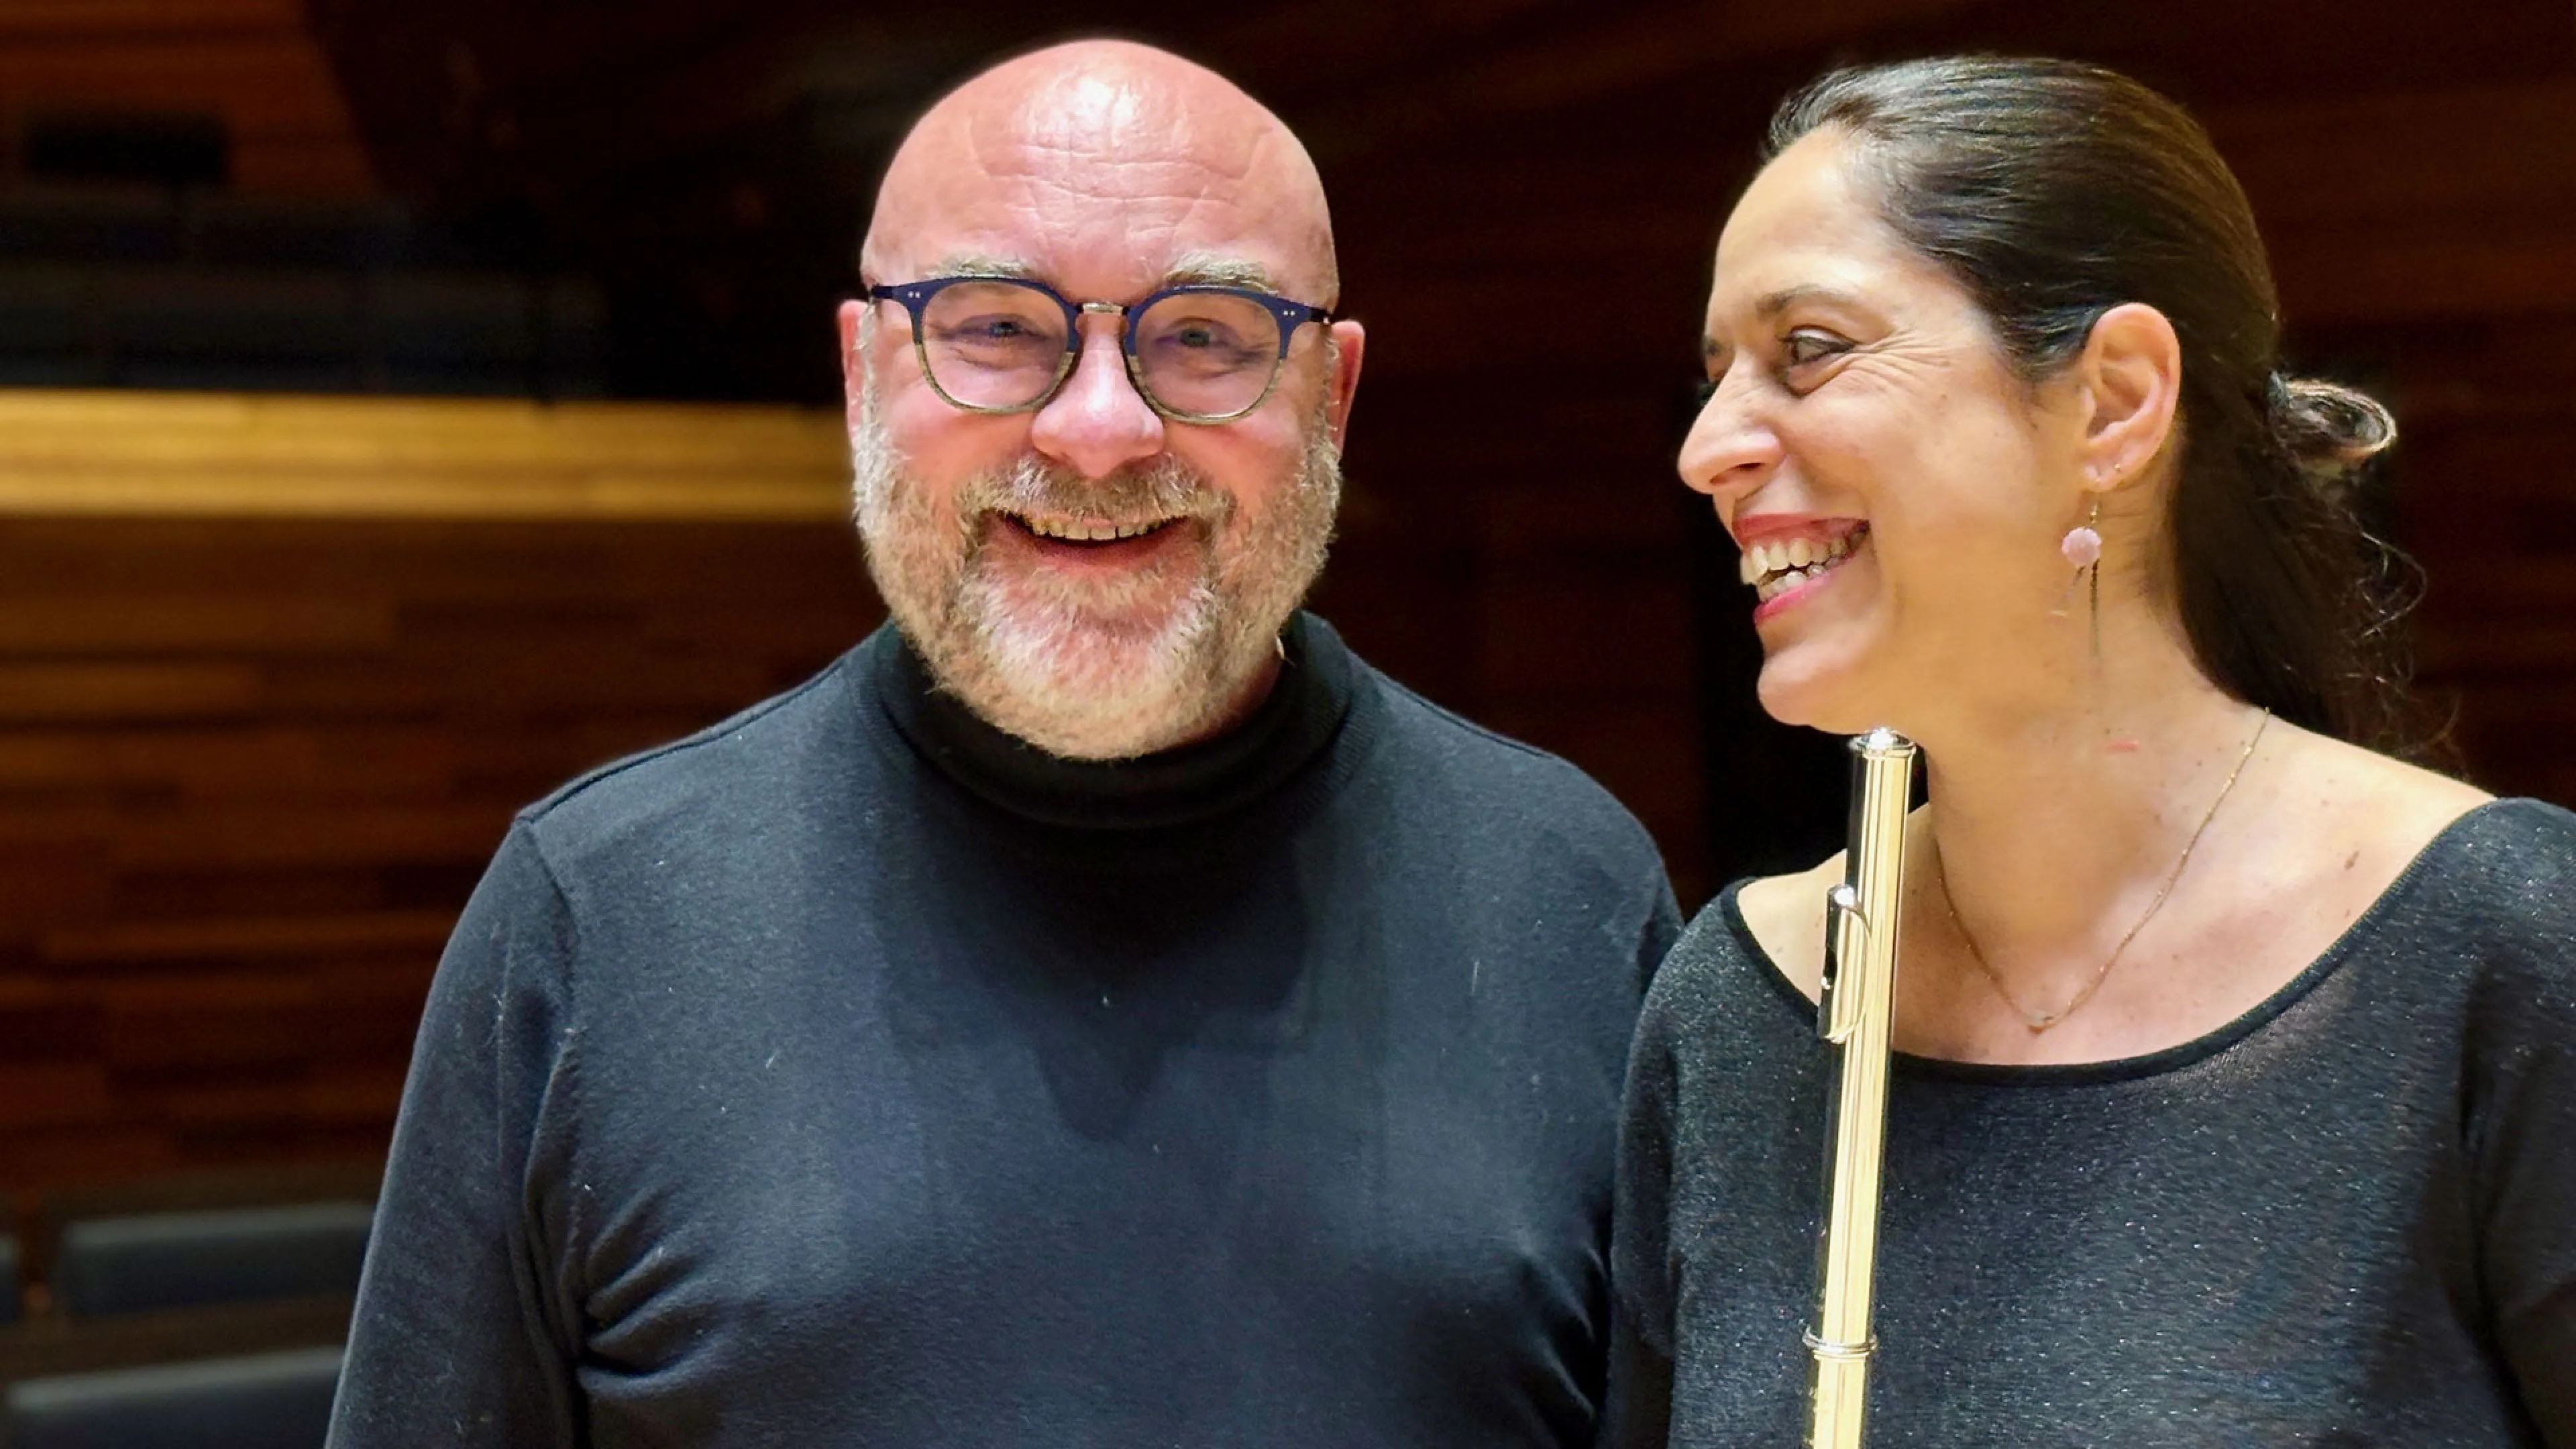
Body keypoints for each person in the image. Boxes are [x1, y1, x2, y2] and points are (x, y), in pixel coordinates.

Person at [327, 38, 1680, 1449]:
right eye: (996, 331)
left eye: (1205, 336)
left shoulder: (1569, 893)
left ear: (1332, 397)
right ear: (863, 376)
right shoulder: (594, 916)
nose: (1099, 430)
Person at [1610, 56, 2575, 1446]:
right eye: (1715, 380)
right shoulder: (1737, 1008)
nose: (1709, 449)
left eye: (1809, 349)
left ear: (2116, 401)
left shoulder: (2507, 947)